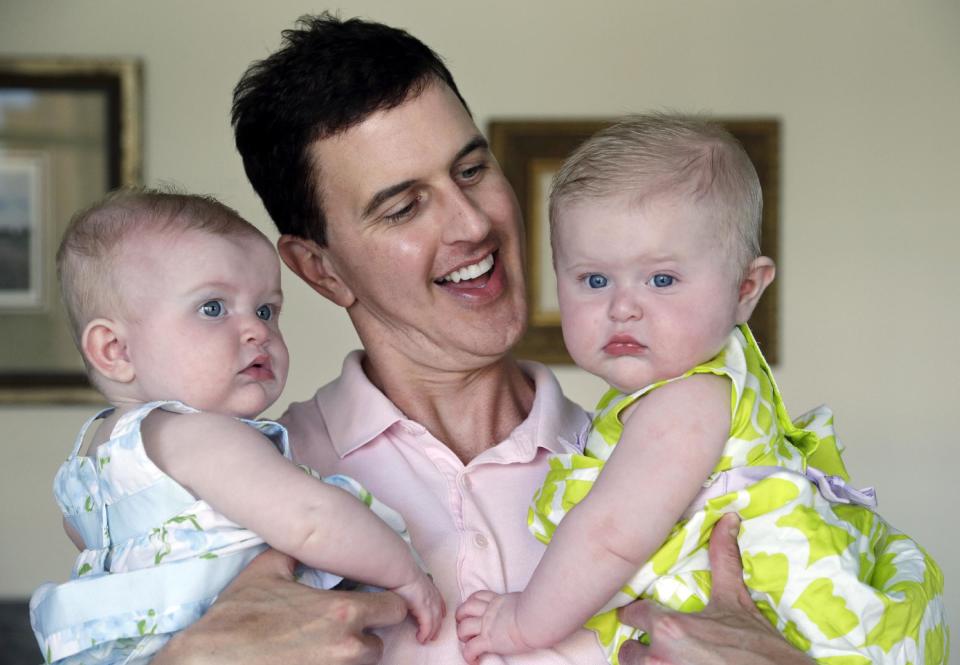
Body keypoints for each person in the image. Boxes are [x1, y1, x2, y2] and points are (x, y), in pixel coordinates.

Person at [154, 13, 867, 665]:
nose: (472, 223)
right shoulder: (238, 497)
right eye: (404, 206)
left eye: (471, 169)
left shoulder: (686, 479)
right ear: (321, 268)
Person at [454, 115, 947, 664]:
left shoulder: (688, 400)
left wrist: (522, 625)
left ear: (745, 290)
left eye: (661, 279)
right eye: (594, 280)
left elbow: (610, 537)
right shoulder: (692, 388)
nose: (622, 306)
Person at [30, 189, 444, 665]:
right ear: (115, 351)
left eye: (266, 309)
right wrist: (406, 573)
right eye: (213, 308)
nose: (257, 330)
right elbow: (310, 519)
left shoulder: (93, 462)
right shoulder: (200, 436)